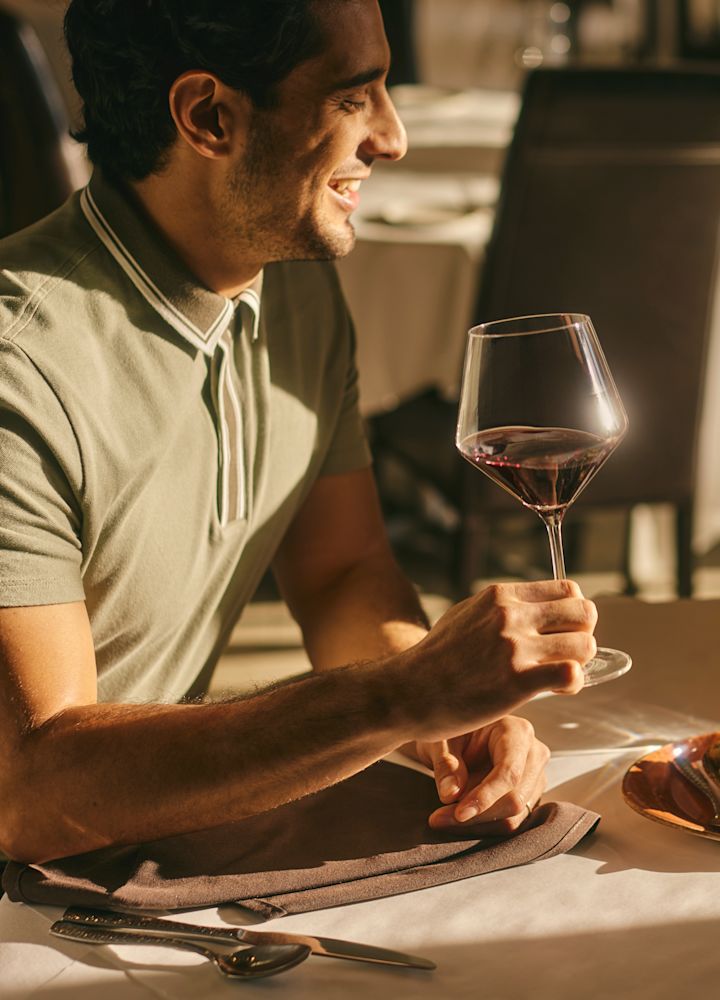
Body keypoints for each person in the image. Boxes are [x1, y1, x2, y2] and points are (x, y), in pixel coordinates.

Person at [0, 0, 596, 865]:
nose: (392, 138)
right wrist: (394, 697)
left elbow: (342, 574)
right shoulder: (21, 368)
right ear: (210, 116)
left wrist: (443, 720)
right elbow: (35, 792)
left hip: (150, 845)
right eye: (354, 98)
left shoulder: (295, 288)